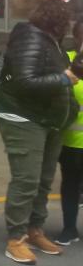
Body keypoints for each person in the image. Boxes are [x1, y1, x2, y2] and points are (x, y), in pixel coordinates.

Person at [0, 0, 78, 265]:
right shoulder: (30, 37)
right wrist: (66, 78)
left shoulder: (49, 40)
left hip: (47, 120)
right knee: (27, 179)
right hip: (24, 118)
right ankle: (15, 238)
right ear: (58, 20)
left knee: (43, 179)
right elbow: (25, 81)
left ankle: (34, 230)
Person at [56, 26, 83, 245]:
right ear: (76, 36)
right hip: (71, 140)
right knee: (70, 184)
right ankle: (69, 228)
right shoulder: (67, 60)